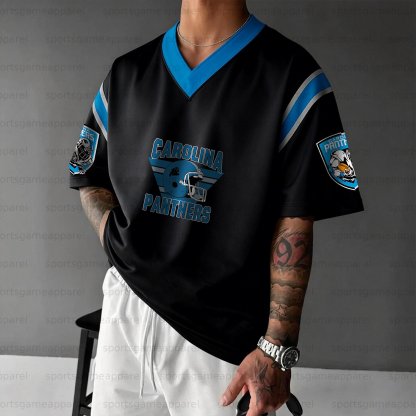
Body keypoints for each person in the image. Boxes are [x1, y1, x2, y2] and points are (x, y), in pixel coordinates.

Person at [68, 1, 365, 415]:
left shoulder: (294, 77)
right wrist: (115, 241)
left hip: (219, 337)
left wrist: (277, 347)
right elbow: (88, 175)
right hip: (127, 310)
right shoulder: (127, 72)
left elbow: (296, 218)